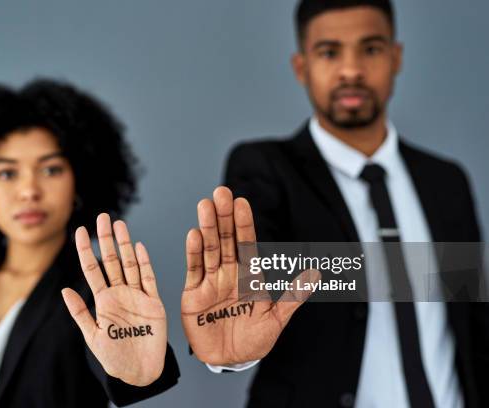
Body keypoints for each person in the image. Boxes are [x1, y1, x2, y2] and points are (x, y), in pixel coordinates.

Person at [180, 1, 489, 407]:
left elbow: (470, 321)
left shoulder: (446, 180)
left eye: (371, 49)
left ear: (396, 58)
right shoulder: (265, 169)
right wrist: (232, 354)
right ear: (301, 66)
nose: (351, 71)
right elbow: (257, 292)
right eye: (329, 52)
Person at [0, 79, 179, 407]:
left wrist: (139, 373)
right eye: (7, 173)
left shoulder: (101, 292)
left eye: (51, 169)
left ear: (79, 183)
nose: (29, 191)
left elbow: (132, 373)